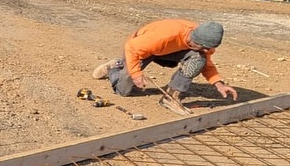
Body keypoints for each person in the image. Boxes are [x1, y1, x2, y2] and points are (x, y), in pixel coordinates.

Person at [92, 19, 238, 105]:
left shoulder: (204, 45)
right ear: (193, 42)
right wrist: (136, 74)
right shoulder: (162, 36)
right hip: (143, 49)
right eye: (204, 48)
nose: (207, 51)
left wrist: (218, 84)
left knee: (198, 59)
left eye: (208, 49)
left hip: (168, 51)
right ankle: (114, 68)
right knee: (123, 91)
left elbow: (206, 64)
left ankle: (170, 97)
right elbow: (132, 48)